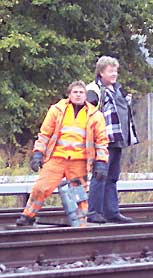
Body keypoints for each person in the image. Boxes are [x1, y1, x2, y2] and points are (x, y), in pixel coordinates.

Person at [16, 81, 109, 226]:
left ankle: (81, 225)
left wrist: (101, 162)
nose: (78, 95)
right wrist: (38, 153)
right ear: (69, 94)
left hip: (79, 161)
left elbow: (102, 141)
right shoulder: (56, 110)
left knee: (79, 196)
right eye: (75, 92)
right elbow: (45, 134)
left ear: (85, 95)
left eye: (81, 92)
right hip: (56, 159)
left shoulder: (95, 115)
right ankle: (28, 215)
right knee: (40, 188)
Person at [86, 56, 139, 223]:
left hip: (117, 140)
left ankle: (111, 211)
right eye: (111, 71)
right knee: (100, 174)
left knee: (112, 177)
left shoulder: (118, 90)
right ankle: (94, 212)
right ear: (101, 72)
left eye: (115, 71)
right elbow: (87, 115)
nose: (114, 74)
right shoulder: (94, 89)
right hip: (101, 141)